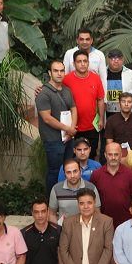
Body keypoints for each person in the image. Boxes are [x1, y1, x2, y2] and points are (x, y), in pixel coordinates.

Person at [36, 60, 77, 193]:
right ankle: (53, 200)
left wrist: (72, 130)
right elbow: (47, 118)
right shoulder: (43, 93)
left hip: (69, 138)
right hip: (53, 140)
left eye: (61, 71)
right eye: (56, 71)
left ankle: (67, 196)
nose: (59, 73)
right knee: (54, 171)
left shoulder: (67, 90)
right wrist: (68, 129)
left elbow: (74, 109)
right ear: (49, 73)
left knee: (68, 169)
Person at [62, 50, 106, 161]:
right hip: (73, 127)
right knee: (73, 158)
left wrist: (101, 119)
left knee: (91, 156)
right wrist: (40, 89)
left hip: (92, 126)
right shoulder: (66, 79)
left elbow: (100, 99)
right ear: (73, 64)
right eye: (79, 61)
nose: (82, 64)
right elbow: (54, 88)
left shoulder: (95, 78)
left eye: (85, 61)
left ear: (88, 62)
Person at [90, 143, 132, 229]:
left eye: (116, 154)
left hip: (126, 224)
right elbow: (92, 200)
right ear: (105, 155)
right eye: (110, 154)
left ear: (121, 155)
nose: (113, 157)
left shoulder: (130, 174)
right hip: (103, 224)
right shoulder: (96, 175)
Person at [49, 158, 101, 224]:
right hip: (64, 228)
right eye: (68, 172)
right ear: (64, 173)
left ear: (80, 171)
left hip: (87, 228)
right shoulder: (56, 189)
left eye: (75, 171)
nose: (72, 176)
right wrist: (57, 229)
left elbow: (97, 213)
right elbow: (52, 214)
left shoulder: (91, 188)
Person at [104, 92, 132, 157]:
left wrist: (130, 156)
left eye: (129, 102)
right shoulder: (111, 120)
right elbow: (109, 142)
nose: (126, 104)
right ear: (119, 104)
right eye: (123, 101)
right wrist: (118, 155)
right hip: (116, 156)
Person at [104, 48, 132, 117]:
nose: (116, 61)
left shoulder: (131, 74)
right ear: (108, 60)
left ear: (123, 60)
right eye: (113, 58)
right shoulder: (102, 74)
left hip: (126, 114)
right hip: (107, 114)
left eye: (119, 58)